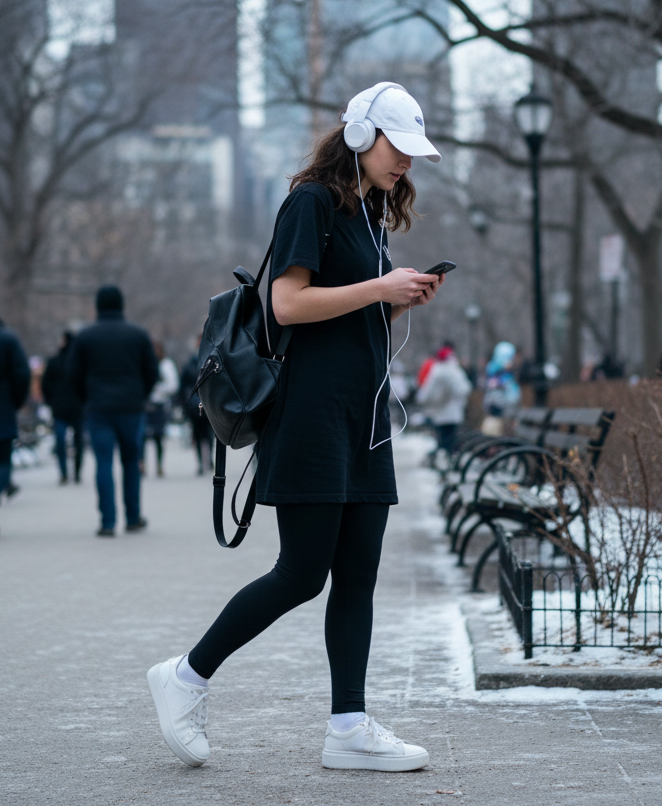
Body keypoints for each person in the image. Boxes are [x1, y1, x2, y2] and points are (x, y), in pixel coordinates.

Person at [147, 82, 446, 772]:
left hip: (361, 416)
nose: (405, 161)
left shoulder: (369, 215)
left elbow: (348, 321)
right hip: (312, 414)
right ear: (360, 135)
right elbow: (286, 304)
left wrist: (398, 300)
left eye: (412, 152)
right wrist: (378, 287)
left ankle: (348, 727)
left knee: (358, 578)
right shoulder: (310, 202)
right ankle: (185, 677)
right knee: (301, 574)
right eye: (396, 146)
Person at [69, 286, 158, 536]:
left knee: (103, 463)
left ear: (98, 305)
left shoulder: (85, 337)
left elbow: (74, 374)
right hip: (131, 408)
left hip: (99, 409)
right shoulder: (138, 335)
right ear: (121, 305)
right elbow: (151, 372)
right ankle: (132, 517)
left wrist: (87, 399)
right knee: (131, 462)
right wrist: (140, 395)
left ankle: (107, 522)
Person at [42, 332, 85, 484]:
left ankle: (64, 473)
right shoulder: (80, 363)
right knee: (77, 442)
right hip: (77, 408)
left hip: (60, 408)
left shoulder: (54, 361)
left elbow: (45, 385)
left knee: (61, 441)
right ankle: (77, 472)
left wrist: (51, 401)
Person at [416, 344, 472, 456]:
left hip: (441, 412)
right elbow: (465, 389)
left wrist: (423, 400)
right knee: (450, 439)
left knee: (444, 439)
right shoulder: (456, 370)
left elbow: (428, 393)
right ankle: (449, 460)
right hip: (454, 412)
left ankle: (445, 461)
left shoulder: (438, 371)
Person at [0, 319, 30, 510]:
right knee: (3, 459)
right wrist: (15, 400)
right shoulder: (8, 340)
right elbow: (22, 373)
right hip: (3, 406)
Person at [142, 342, 179, 478]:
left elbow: (173, 385)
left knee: (158, 437)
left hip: (159, 404)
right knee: (142, 437)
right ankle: (142, 464)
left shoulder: (166, 365)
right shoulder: (145, 363)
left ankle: (159, 465)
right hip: (145, 404)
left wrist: (158, 388)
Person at [179, 338, 214, 475]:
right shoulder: (194, 363)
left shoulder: (198, 363)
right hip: (198, 406)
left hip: (201, 405)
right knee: (200, 435)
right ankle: (202, 461)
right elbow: (183, 386)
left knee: (205, 435)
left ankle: (207, 460)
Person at [482, 341, 521, 435]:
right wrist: (511, 414)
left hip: (500, 416)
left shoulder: (497, 374)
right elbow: (509, 398)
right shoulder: (500, 376)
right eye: (511, 358)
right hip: (501, 416)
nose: (513, 361)